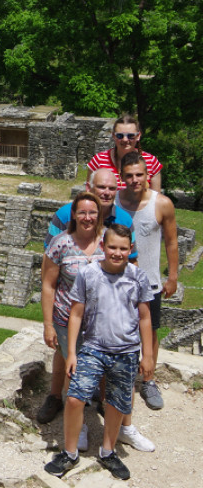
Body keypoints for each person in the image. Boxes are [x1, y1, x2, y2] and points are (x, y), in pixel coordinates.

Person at [44, 224, 154, 481]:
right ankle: (69, 452)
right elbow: (76, 313)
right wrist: (71, 352)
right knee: (74, 398)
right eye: (112, 247)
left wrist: (147, 355)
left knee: (117, 403)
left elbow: (145, 318)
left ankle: (108, 451)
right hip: (93, 347)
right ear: (103, 247)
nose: (117, 253)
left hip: (125, 351)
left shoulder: (138, 277)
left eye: (123, 248)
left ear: (131, 249)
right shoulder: (88, 273)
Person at [37, 192, 105, 452]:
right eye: (82, 213)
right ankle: (79, 427)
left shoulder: (106, 241)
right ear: (74, 215)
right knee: (74, 372)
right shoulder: (61, 243)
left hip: (100, 322)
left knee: (95, 370)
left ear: (98, 215)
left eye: (92, 213)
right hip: (66, 319)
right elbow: (48, 285)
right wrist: (48, 324)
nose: (87, 218)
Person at [115, 151, 178, 410]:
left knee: (150, 333)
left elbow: (172, 241)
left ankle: (148, 380)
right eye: (129, 175)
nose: (134, 180)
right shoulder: (114, 202)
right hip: (117, 282)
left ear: (147, 175)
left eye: (139, 174)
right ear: (122, 177)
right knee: (116, 330)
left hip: (149, 282)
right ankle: (117, 379)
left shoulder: (161, 203)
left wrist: (173, 275)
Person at [87, 114, 162, 191]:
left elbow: (156, 198)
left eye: (130, 135)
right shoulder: (99, 160)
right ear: (113, 136)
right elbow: (89, 193)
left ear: (138, 136)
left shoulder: (151, 161)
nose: (125, 139)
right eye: (120, 136)